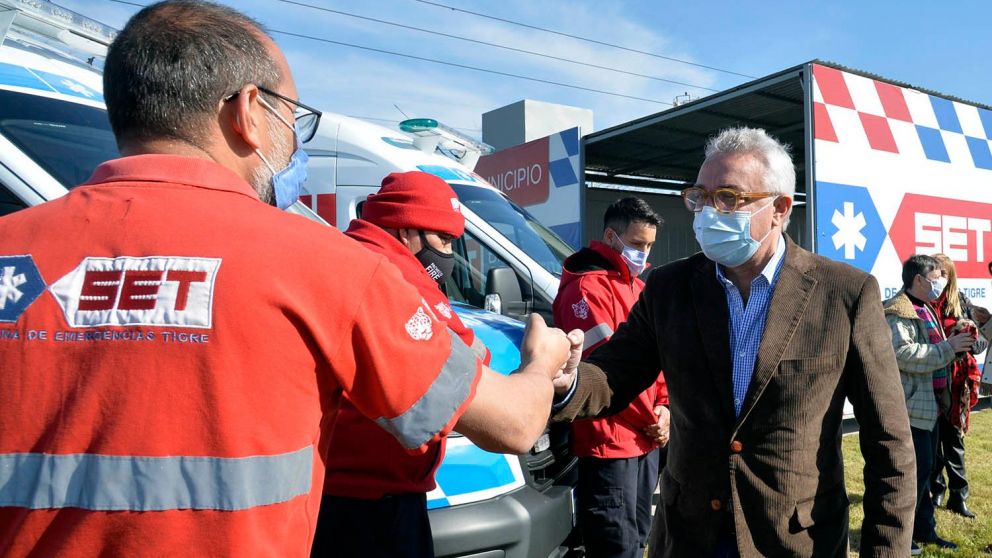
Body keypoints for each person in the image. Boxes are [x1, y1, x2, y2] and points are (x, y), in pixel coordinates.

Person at [0, 2, 578, 556]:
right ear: (249, 111)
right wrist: (542, 359)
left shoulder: (11, 250)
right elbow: (513, 422)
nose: (295, 141)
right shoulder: (329, 267)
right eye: (292, 116)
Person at [550, 126, 916, 556]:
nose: (707, 212)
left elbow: (889, 445)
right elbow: (615, 372)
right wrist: (570, 381)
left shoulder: (844, 294)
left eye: (728, 197)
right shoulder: (670, 287)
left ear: (779, 208)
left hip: (794, 540)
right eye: (700, 197)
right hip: (690, 534)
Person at [312, 171, 490, 558]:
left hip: (340, 494)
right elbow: (469, 356)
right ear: (407, 231)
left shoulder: (352, 256)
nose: (448, 254)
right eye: (444, 240)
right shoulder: (392, 272)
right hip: (374, 504)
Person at [552, 197, 669, 558]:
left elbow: (659, 359)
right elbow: (606, 374)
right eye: (637, 244)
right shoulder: (586, 291)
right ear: (610, 236)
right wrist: (654, 418)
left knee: (637, 539)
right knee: (615, 546)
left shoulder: (638, 288)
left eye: (649, 245)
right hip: (608, 442)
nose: (643, 252)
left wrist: (666, 406)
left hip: (644, 440)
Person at [883, 254, 974, 551]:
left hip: (930, 408)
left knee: (924, 477)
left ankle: (925, 531)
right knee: (912, 479)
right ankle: (902, 538)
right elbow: (904, 355)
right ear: (919, 280)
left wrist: (957, 342)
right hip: (911, 409)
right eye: (937, 277)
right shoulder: (899, 312)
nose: (942, 282)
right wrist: (949, 347)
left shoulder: (925, 308)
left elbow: (932, 348)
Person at [929, 253, 987, 519]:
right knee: (931, 439)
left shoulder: (963, 303)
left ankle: (958, 496)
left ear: (948, 275)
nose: (934, 276)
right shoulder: (922, 301)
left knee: (954, 440)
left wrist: (967, 338)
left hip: (956, 382)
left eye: (939, 272)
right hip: (929, 378)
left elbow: (983, 343)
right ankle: (936, 488)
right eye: (931, 271)